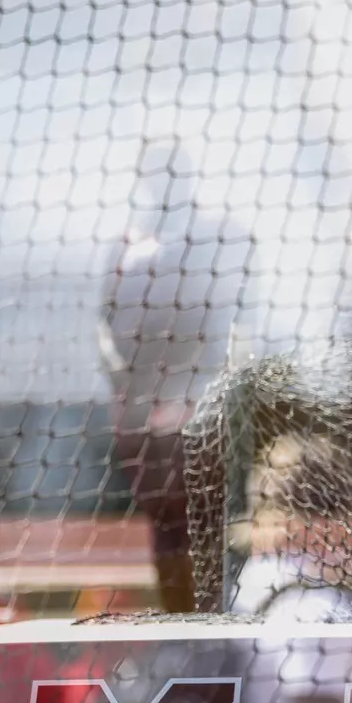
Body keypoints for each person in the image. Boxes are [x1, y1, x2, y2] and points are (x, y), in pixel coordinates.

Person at [100, 139, 256, 612]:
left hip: (203, 402)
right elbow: (101, 325)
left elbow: (241, 324)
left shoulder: (223, 236)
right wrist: (126, 387)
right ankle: (177, 620)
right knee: (166, 523)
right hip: (146, 410)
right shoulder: (126, 244)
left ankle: (219, 617)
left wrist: (224, 390)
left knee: (215, 519)